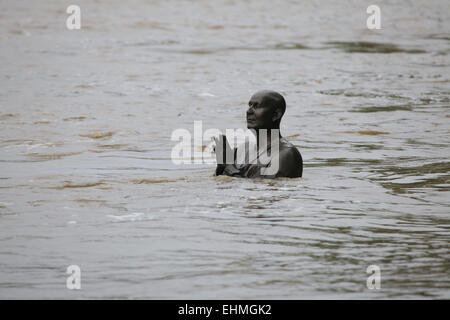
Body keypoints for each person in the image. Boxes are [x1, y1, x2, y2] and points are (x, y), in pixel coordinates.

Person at [214, 90, 303, 178]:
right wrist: (221, 165)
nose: (249, 111)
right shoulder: (244, 150)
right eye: (250, 105)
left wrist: (228, 166)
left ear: (276, 115)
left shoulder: (286, 155)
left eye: (257, 106)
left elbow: (265, 188)